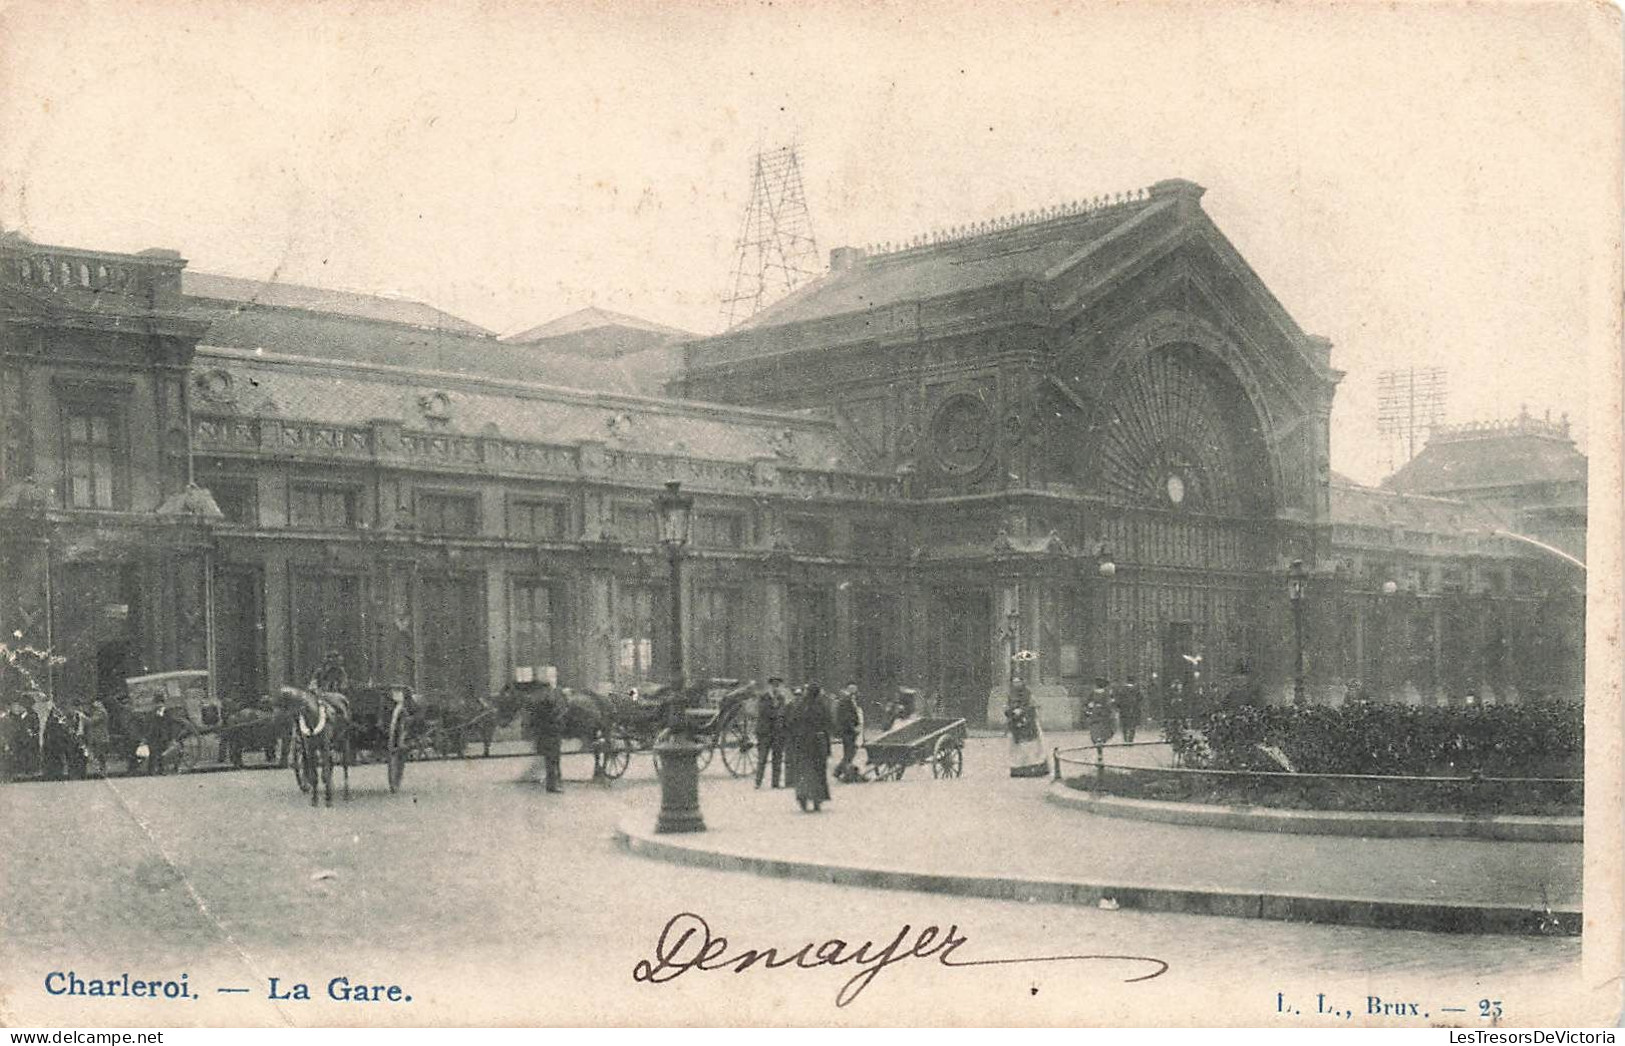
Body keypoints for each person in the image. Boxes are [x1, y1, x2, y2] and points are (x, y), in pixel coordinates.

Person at [787, 682, 832, 813]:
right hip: (817, 745)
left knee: (804, 773)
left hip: (802, 746)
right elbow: (828, 724)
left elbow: (791, 723)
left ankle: (803, 799)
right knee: (818, 773)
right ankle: (817, 800)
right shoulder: (821, 706)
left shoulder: (800, 706)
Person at [1004, 675, 1048, 777]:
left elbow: (1034, 706)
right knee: (1017, 748)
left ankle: (1035, 768)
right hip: (1015, 724)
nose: (1016, 684)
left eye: (1018, 682)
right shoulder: (1010, 695)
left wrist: (1023, 711)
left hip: (1029, 723)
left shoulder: (1028, 694)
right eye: (1014, 683)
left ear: (1022, 683)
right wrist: (1010, 712)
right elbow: (1007, 707)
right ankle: (1018, 769)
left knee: (1031, 746)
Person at [754, 677, 788, 790]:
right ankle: (758, 782)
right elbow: (764, 711)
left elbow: (784, 713)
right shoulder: (764, 697)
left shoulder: (781, 698)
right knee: (762, 758)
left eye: (777, 686)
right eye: (774, 685)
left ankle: (775, 783)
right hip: (765, 733)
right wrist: (777, 712)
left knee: (777, 758)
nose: (775, 688)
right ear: (769, 686)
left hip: (777, 733)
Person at [832, 682, 863, 783]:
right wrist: (853, 728)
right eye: (852, 689)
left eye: (855, 689)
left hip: (849, 730)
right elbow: (846, 717)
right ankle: (841, 772)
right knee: (850, 752)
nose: (854, 691)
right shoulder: (846, 700)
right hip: (848, 731)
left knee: (850, 752)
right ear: (848, 689)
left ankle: (840, 771)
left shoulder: (849, 699)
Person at [1084, 678, 1115, 746]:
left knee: (1095, 725)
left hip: (1095, 711)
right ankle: (1102, 738)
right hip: (1104, 711)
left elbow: (1087, 702)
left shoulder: (1093, 692)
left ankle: (1096, 738)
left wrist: (1089, 709)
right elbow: (1108, 703)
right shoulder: (1106, 693)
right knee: (1103, 725)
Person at [1114, 675, 1144, 743]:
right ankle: (1131, 739)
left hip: (1124, 709)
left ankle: (1125, 739)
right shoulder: (1136, 689)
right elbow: (1141, 698)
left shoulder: (1122, 689)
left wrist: (1118, 707)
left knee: (1125, 725)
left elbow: (1118, 699)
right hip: (1134, 709)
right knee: (1132, 725)